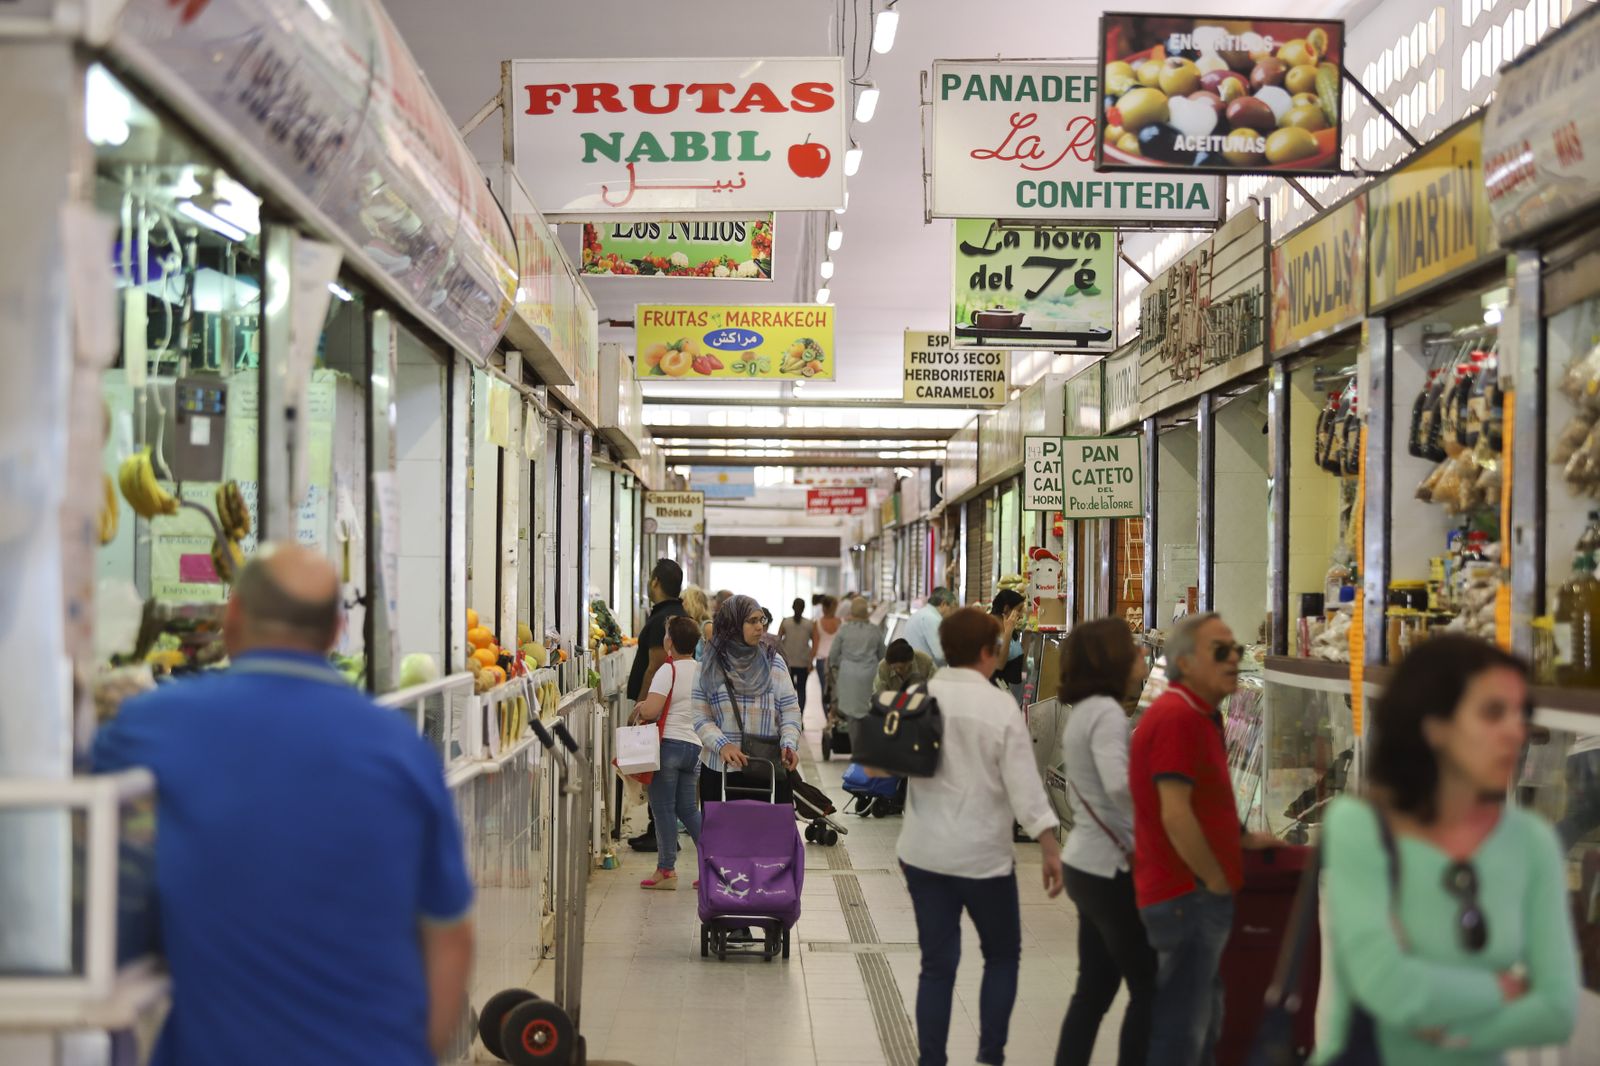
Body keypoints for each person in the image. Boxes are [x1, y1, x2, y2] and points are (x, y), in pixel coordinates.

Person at [92, 544, 473, 1066]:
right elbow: (451, 937)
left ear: (233, 619)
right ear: (336, 630)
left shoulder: (148, 728)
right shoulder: (401, 750)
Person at [1315, 636, 1578, 1065]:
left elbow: (1557, 1009)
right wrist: (1500, 990)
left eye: (1522, 714)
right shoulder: (1360, 826)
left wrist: (1453, 1030)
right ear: (1434, 725)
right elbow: (1385, 984)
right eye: (1493, 712)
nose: (1516, 730)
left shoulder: (1531, 841)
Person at [894, 607, 1064, 1066]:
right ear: (989, 653)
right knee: (1002, 956)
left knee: (937, 965)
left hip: (924, 854)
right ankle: (990, 1057)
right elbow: (1025, 787)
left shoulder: (918, 696)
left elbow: (893, 766)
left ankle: (932, 1060)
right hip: (983, 858)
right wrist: (1049, 845)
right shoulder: (998, 705)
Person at [1128, 612, 1278, 1066]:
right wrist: (1213, 879)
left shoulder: (1198, 713)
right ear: (1187, 662)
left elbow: (1201, 801)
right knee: (1182, 1034)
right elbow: (1176, 814)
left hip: (1188, 894)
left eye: (1235, 649)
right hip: (1185, 896)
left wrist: (1240, 840)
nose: (1235, 659)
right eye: (1221, 651)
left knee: (1203, 1024)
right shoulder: (1178, 717)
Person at [1054, 619, 1155, 1066]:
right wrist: (1162, 819)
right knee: (1150, 989)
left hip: (1085, 862)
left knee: (1094, 990)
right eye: (1133, 649)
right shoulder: (1110, 714)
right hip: (1111, 868)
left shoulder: (1086, 710)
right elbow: (1118, 785)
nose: (1142, 656)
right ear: (1110, 659)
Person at [692, 594, 802, 805]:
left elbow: (789, 710)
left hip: (766, 768)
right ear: (732, 624)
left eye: (761, 620)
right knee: (723, 837)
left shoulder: (773, 663)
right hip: (721, 769)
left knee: (767, 837)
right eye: (751, 621)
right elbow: (700, 716)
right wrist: (723, 745)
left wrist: (789, 744)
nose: (760, 627)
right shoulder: (709, 665)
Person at [633, 617, 705, 891]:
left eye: (666, 635)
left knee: (662, 809)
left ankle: (666, 869)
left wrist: (641, 706)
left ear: (670, 642)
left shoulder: (668, 670)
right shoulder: (700, 670)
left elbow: (651, 711)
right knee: (688, 810)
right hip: (693, 747)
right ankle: (713, 866)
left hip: (669, 747)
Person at [626, 559, 689, 854]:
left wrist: (642, 709)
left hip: (661, 711)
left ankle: (659, 834)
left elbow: (654, 666)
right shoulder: (679, 615)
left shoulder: (662, 620)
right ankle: (660, 833)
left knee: (657, 775)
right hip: (676, 715)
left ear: (654, 582)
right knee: (674, 788)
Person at [829, 596, 886, 724]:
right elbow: (883, 655)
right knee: (866, 710)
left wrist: (836, 668)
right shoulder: (875, 630)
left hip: (847, 674)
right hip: (869, 675)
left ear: (852, 611)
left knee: (848, 710)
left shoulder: (844, 629)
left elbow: (833, 654)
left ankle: (849, 735)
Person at [778, 597, 816, 712]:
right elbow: (815, 643)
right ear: (804, 608)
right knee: (801, 690)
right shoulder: (809, 624)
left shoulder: (785, 622)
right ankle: (799, 716)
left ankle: (787, 715)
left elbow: (778, 640)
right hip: (803, 662)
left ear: (792, 607)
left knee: (786, 691)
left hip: (788, 662)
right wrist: (810, 661)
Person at [904, 587, 957, 668]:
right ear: (943, 604)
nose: (952, 612)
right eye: (952, 608)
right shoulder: (932, 619)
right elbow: (940, 654)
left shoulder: (921, 614)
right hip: (925, 674)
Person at [991, 589, 1028, 691]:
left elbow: (1019, 657)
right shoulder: (990, 629)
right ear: (1006, 608)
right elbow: (999, 665)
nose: (1021, 615)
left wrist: (1028, 635)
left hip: (1013, 693)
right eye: (1019, 609)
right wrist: (1008, 633)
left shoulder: (1010, 627)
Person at [813, 594, 842, 708]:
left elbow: (815, 645)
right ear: (833, 607)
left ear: (823, 608)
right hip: (837, 661)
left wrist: (810, 661)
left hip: (821, 660)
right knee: (837, 690)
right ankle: (834, 717)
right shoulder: (841, 622)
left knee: (825, 690)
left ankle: (827, 717)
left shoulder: (817, 623)